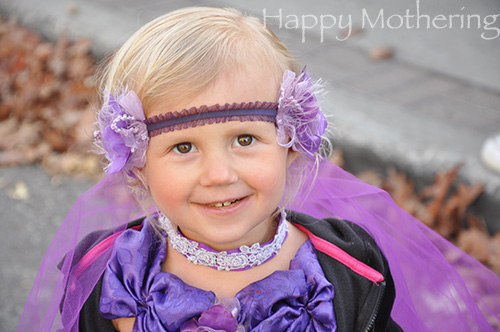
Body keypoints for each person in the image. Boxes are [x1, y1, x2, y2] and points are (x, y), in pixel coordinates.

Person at [19, 7, 500, 332]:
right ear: (138, 166)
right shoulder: (109, 274)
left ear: (292, 144)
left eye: (245, 140)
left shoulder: (349, 269)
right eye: (184, 146)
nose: (218, 174)